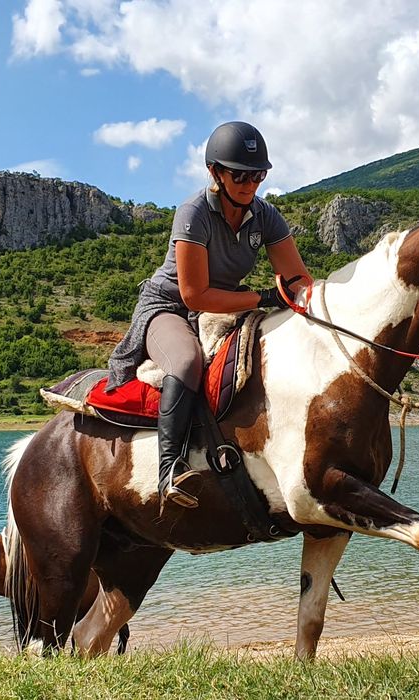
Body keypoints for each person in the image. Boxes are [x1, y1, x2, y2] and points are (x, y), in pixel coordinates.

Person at [105, 121, 313, 509]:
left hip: (224, 306)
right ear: (215, 172)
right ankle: (169, 472)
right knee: (186, 361)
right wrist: (264, 296)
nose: (250, 184)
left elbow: (299, 279)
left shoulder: (266, 215)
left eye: (258, 175)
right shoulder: (193, 212)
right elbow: (194, 294)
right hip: (170, 307)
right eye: (240, 175)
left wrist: (314, 302)